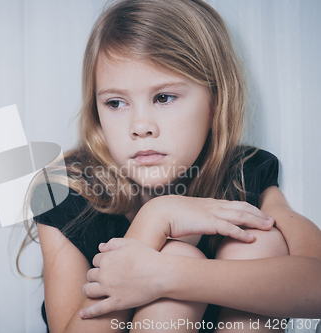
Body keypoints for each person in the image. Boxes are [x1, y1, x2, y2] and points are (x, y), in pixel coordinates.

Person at [17, 0, 321, 332]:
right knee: (180, 253)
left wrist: (169, 276)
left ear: (215, 102)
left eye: (164, 97)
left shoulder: (243, 171)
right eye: (116, 102)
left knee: (258, 241)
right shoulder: (67, 190)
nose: (140, 126)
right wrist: (157, 217)